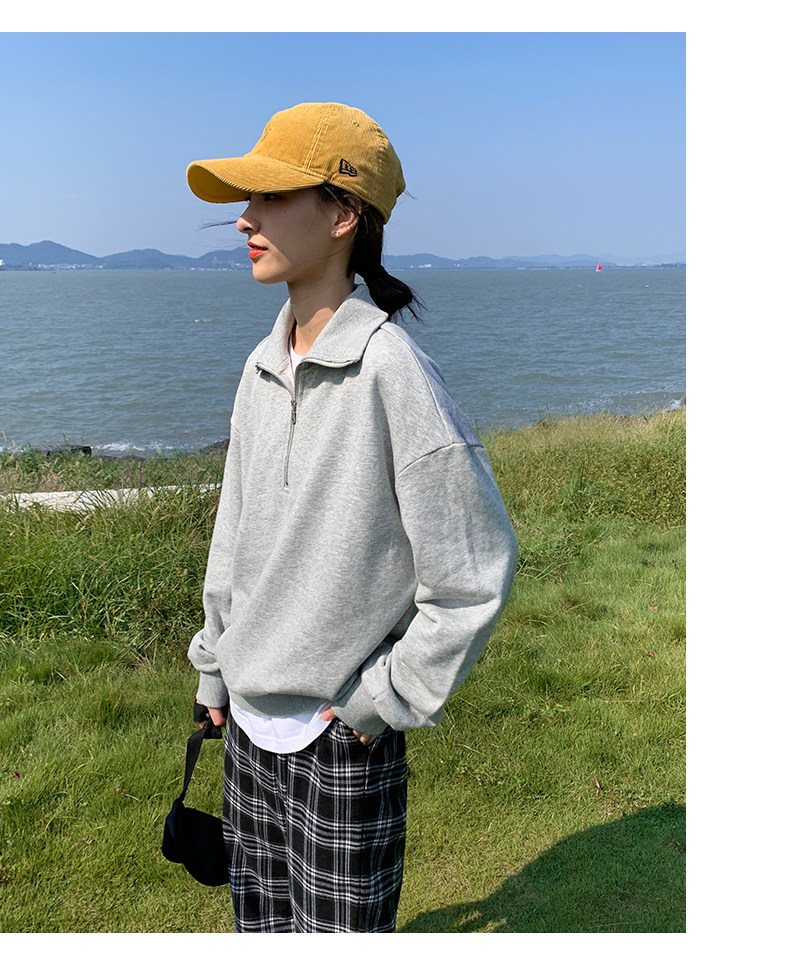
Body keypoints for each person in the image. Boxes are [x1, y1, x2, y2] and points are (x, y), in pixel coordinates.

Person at [185, 101, 519, 933]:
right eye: (249, 199)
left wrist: (383, 700)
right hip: (245, 735)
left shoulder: (392, 371)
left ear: (343, 215)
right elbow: (233, 541)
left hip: (341, 744)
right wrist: (214, 671)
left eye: (271, 197)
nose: (244, 219)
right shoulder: (259, 367)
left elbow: (475, 571)